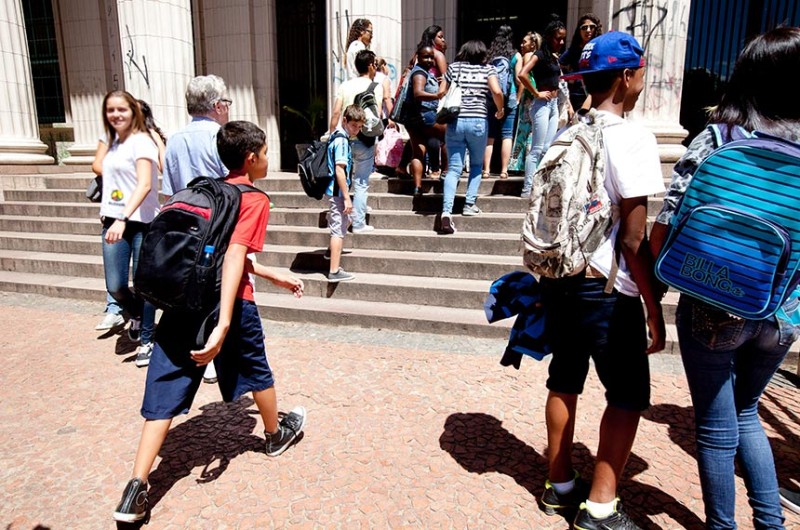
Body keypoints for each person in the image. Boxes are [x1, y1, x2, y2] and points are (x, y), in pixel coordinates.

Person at [112, 120, 307, 524]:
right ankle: (274, 435)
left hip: (184, 299)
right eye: (267, 152)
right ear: (252, 158)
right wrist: (221, 326)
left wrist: (273, 274)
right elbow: (234, 257)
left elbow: (224, 252)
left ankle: (136, 486)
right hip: (229, 303)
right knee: (256, 368)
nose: (268, 159)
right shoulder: (253, 198)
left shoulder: (213, 191)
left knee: (164, 385)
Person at [650, 26, 800, 530]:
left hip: (715, 302)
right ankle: (771, 524)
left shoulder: (718, 138)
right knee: (748, 411)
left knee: (716, 429)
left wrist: (655, 292)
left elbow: (669, 221)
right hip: (782, 310)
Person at [536, 32, 664, 530]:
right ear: (628, 76)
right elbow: (633, 239)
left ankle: (559, 484)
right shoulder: (632, 137)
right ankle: (601, 506)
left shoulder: (568, 132)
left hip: (560, 278)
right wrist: (653, 308)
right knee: (628, 393)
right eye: (640, 72)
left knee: (565, 377)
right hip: (607, 288)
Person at [161, 74, 231, 385]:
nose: (227, 108)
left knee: (193, 291)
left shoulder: (174, 140)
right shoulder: (222, 137)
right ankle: (215, 354)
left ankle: (195, 349)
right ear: (217, 105)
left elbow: (170, 192)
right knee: (218, 292)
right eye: (226, 102)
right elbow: (234, 185)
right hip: (218, 227)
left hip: (185, 229)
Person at [96, 91, 160, 367]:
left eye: (122, 109)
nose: (116, 115)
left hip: (141, 221)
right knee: (116, 285)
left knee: (144, 284)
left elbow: (145, 184)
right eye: (111, 110)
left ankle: (147, 338)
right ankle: (134, 314)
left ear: (133, 111)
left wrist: (123, 217)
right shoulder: (108, 141)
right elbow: (99, 169)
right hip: (112, 219)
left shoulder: (142, 141)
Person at [438, 40, 504, 235]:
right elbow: (497, 91)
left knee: (454, 168)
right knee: (476, 165)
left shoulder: (454, 67)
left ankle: (446, 211)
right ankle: (469, 205)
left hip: (455, 120)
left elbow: (442, 91)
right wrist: (500, 110)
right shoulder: (488, 70)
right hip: (478, 121)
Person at [329, 49, 383, 234]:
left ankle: (346, 217)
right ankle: (358, 223)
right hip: (365, 139)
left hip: (344, 138)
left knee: (344, 176)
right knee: (361, 182)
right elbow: (378, 115)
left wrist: (331, 134)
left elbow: (336, 111)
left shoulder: (345, 85)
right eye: (375, 64)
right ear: (370, 65)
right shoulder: (377, 86)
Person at [518, 15, 569, 197]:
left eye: (563, 38)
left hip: (553, 105)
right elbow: (522, 74)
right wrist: (536, 92)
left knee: (547, 148)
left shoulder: (554, 57)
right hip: (541, 104)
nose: (561, 42)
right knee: (537, 148)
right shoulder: (539, 55)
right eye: (558, 38)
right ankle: (527, 188)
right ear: (549, 37)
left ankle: (541, 185)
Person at [326, 105, 365, 283]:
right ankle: (334, 270)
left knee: (345, 221)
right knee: (339, 229)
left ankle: (331, 253)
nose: (357, 130)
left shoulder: (336, 136)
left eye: (359, 127)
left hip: (335, 191)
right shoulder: (341, 141)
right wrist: (347, 197)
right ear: (345, 121)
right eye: (354, 126)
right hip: (338, 192)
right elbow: (339, 171)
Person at [404, 43, 447, 194]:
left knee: (418, 152)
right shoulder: (420, 72)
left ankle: (417, 186)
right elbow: (418, 93)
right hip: (424, 115)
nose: (429, 60)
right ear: (418, 57)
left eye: (431, 57)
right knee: (448, 135)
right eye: (425, 57)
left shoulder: (421, 71)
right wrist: (437, 95)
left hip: (412, 118)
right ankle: (445, 174)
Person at [483, 25, 518, 180]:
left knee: (490, 136)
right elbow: (519, 78)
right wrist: (518, 97)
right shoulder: (515, 56)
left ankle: (486, 170)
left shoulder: (489, 56)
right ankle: (504, 170)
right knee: (507, 135)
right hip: (509, 99)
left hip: (491, 99)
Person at [509, 31, 541, 173]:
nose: (522, 45)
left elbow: (523, 78)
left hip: (529, 98)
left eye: (525, 42)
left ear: (533, 44)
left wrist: (518, 96)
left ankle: (521, 164)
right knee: (533, 132)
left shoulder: (528, 56)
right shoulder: (539, 56)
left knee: (524, 132)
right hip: (535, 98)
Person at [561, 13, 603, 111]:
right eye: (584, 27)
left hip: (596, 93)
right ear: (579, 31)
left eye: (592, 27)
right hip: (576, 94)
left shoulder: (600, 48)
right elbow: (559, 65)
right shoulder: (574, 49)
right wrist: (569, 77)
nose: (588, 30)